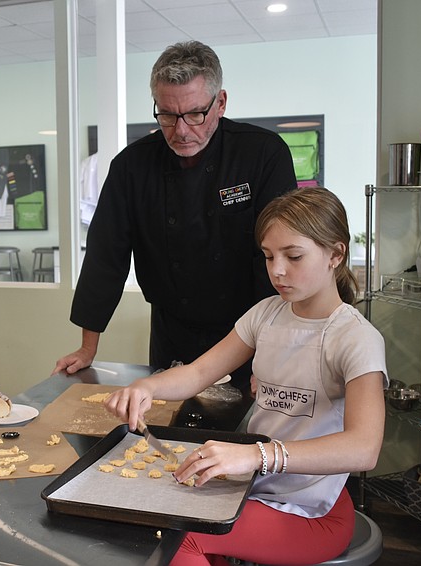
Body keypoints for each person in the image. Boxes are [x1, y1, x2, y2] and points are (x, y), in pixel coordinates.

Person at [104, 187, 388, 565]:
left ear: (336, 254)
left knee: (179, 539)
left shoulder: (355, 338)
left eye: (293, 256)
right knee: (169, 521)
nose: (277, 270)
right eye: (269, 256)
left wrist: (255, 455)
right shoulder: (266, 314)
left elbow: (364, 448)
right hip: (255, 489)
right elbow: (200, 372)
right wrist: (146, 387)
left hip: (311, 510)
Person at [54, 41, 297, 388]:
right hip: (172, 333)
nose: (181, 130)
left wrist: (269, 350)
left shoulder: (262, 154)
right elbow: (106, 257)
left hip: (249, 332)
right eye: (167, 115)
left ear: (220, 103)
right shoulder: (131, 167)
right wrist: (87, 347)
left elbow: (275, 259)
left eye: (195, 114)